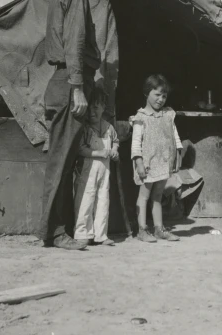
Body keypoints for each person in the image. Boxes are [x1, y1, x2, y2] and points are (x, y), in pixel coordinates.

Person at [37, 0, 105, 250]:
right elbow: (75, 45)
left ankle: (55, 230)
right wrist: (78, 88)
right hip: (70, 83)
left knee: (61, 162)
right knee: (62, 164)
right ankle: (54, 232)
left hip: (63, 81)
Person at [130, 74, 183, 243]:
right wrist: (138, 162)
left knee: (158, 196)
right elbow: (136, 143)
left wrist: (178, 155)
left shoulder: (168, 115)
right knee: (144, 195)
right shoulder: (141, 117)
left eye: (164, 96)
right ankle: (142, 230)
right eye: (157, 95)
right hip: (147, 163)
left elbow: (175, 136)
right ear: (147, 93)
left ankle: (159, 229)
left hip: (163, 161)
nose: (161, 100)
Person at [73, 87, 120, 247]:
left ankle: (101, 235)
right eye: (89, 107)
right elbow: (81, 149)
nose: (92, 112)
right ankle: (82, 233)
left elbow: (116, 141)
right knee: (85, 201)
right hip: (87, 173)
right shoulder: (85, 128)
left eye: (96, 107)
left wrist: (114, 151)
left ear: (103, 108)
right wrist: (99, 153)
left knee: (103, 201)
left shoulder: (109, 128)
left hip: (104, 174)